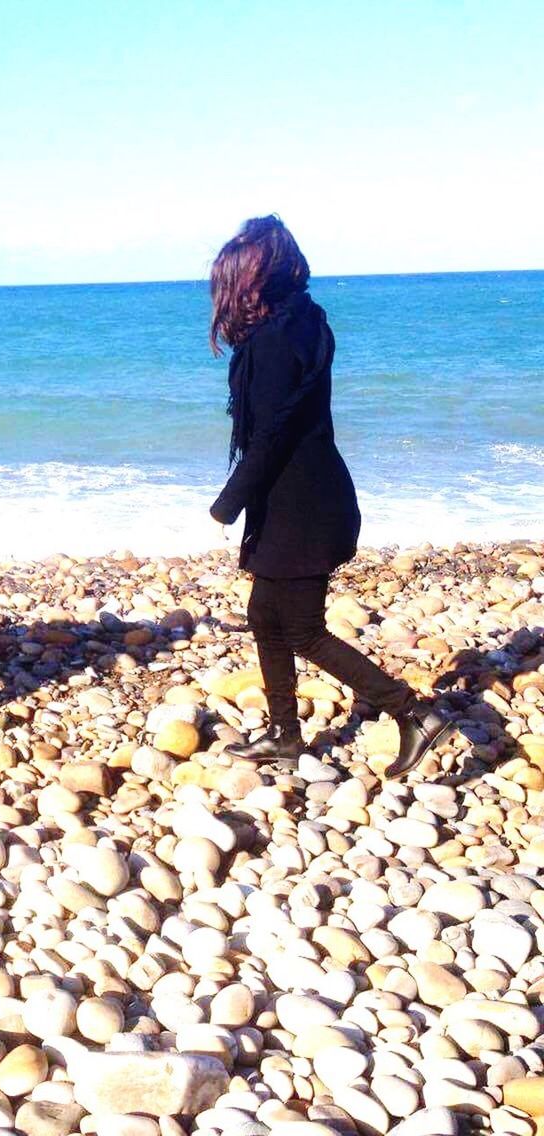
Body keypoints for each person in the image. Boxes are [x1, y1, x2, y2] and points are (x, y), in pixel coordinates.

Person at [207, 216, 451, 776]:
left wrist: (228, 502)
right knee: (265, 614)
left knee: (301, 628)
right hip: (302, 494)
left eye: (230, 282)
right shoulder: (305, 322)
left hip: (302, 505)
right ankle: (284, 734)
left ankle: (412, 712)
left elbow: (273, 435)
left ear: (254, 282)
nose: (224, 297)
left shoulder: (273, 343)